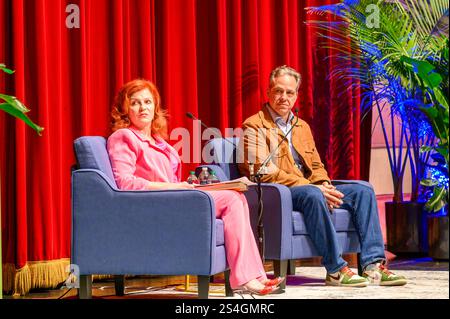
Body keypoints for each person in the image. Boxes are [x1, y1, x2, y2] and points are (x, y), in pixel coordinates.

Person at [106, 79, 284, 296]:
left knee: (236, 194)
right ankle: (246, 278)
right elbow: (125, 183)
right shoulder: (123, 137)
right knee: (231, 199)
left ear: (155, 107)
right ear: (125, 109)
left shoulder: (160, 142)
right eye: (135, 103)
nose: (143, 107)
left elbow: (171, 179)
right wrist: (172, 188)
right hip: (153, 204)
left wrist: (188, 186)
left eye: (147, 102)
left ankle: (254, 275)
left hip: (175, 198)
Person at [238, 65, 407, 287]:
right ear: (268, 93)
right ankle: (336, 269)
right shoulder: (254, 125)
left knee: (363, 190)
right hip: (283, 192)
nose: (284, 97)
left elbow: (316, 164)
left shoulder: (301, 126)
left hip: (311, 186)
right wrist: (313, 187)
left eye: (290, 93)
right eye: (278, 91)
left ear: (296, 95)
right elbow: (263, 171)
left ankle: (372, 266)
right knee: (311, 193)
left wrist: (325, 184)